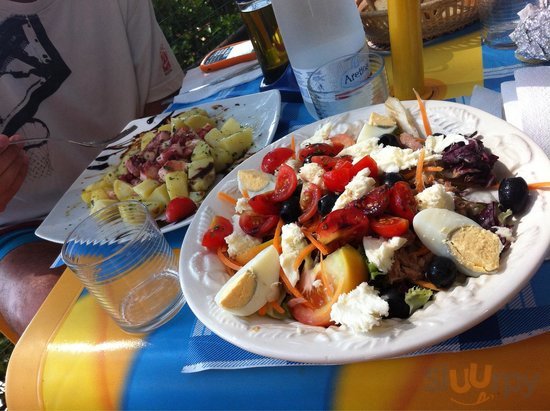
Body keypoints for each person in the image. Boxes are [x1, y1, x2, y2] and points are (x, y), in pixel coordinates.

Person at [0, 0, 185, 339]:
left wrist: (139, 175)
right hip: (22, 230)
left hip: (139, 182)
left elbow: (160, 110)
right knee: (71, 334)